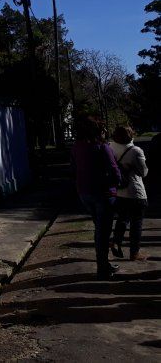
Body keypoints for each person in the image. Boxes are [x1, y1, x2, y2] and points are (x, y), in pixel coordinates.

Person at [72, 116, 121, 279]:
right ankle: (103, 267)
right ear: (97, 131)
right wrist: (116, 184)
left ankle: (104, 264)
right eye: (103, 128)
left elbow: (74, 168)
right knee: (103, 232)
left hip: (84, 192)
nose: (105, 131)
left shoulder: (77, 147)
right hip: (103, 194)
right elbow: (114, 171)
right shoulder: (102, 147)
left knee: (99, 229)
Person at [110, 125, 149, 261]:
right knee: (136, 223)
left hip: (119, 191)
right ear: (131, 135)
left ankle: (116, 241)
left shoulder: (110, 147)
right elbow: (144, 172)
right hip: (135, 191)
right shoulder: (135, 151)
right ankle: (134, 253)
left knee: (122, 218)